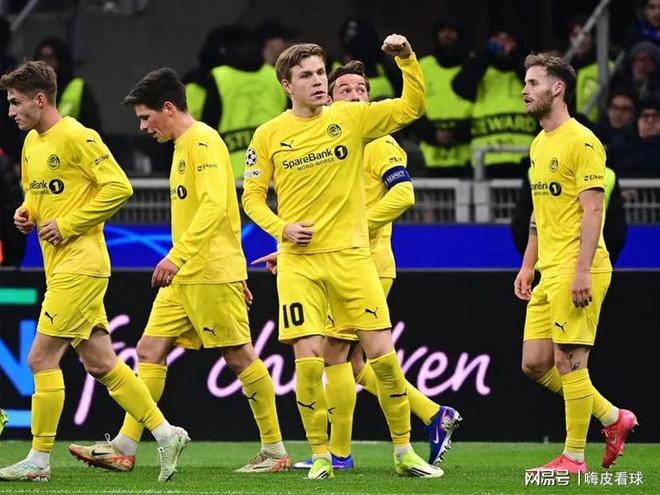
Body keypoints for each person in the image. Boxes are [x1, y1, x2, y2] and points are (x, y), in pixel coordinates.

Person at [68, 68, 291, 474]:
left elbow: (214, 207)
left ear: (168, 108)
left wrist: (178, 257)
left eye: (146, 117)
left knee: (239, 355)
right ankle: (125, 446)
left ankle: (275, 451)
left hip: (207, 270)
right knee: (149, 350)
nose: (143, 127)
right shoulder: (184, 145)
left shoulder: (203, 142)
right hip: (188, 274)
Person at [242, 35, 442, 480]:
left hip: (353, 259)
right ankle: (322, 457)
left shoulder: (350, 118)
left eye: (320, 72)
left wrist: (407, 59)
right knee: (310, 360)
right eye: (307, 75)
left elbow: (413, 107)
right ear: (287, 85)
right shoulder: (268, 134)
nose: (318, 81)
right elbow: (251, 197)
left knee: (383, 358)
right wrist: (281, 228)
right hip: (300, 263)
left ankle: (405, 452)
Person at [0, 61, 189, 482]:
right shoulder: (31, 142)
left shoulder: (77, 135)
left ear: (40, 99)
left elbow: (119, 186)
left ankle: (38, 460)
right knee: (101, 363)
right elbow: (38, 193)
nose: (10, 111)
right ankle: (166, 433)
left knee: (40, 358)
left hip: (82, 265)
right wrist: (26, 212)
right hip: (60, 266)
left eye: (15, 102)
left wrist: (69, 224)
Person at [515, 53, 637, 473]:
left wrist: (582, 270)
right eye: (525, 83)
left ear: (558, 88)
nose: (525, 90)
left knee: (569, 360)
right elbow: (539, 211)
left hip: (579, 266)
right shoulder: (538, 143)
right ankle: (611, 416)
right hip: (548, 269)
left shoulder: (583, 141)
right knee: (535, 363)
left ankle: (574, 457)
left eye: (533, 83)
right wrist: (528, 264)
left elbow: (593, 210)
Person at [200, 25, 287, 180]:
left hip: (231, 175)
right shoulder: (275, 76)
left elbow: (208, 128)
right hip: (273, 174)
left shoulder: (219, 78)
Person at [452, 26, 537, 177]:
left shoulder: (526, 74)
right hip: (485, 161)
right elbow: (460, 86)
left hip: (525, 159)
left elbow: (537, 81)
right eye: (498, 40)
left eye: (507, 40)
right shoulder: (481, 73)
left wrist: (516, 54)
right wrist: (487, 54)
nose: (503, 45)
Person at [414, 18, 473, 176]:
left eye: (452, 30)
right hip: (430, 160)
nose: (447, 35)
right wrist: (432, 135)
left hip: (468, 160)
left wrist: (458, 133)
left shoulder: (473, 65)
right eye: (442, 30)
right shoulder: (424, 66)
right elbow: (412, 107)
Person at [34, 37, 102, 130]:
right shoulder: (30, 88)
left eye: (50, 58)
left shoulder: (78, 87)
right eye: (41, 58)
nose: (44, 63)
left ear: (60, 60)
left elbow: (92, 126)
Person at [608, 96, 660, 177]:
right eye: (645, 116)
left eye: (656, 116)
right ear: (637, 120)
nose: (650, 121)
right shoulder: (620, 147)